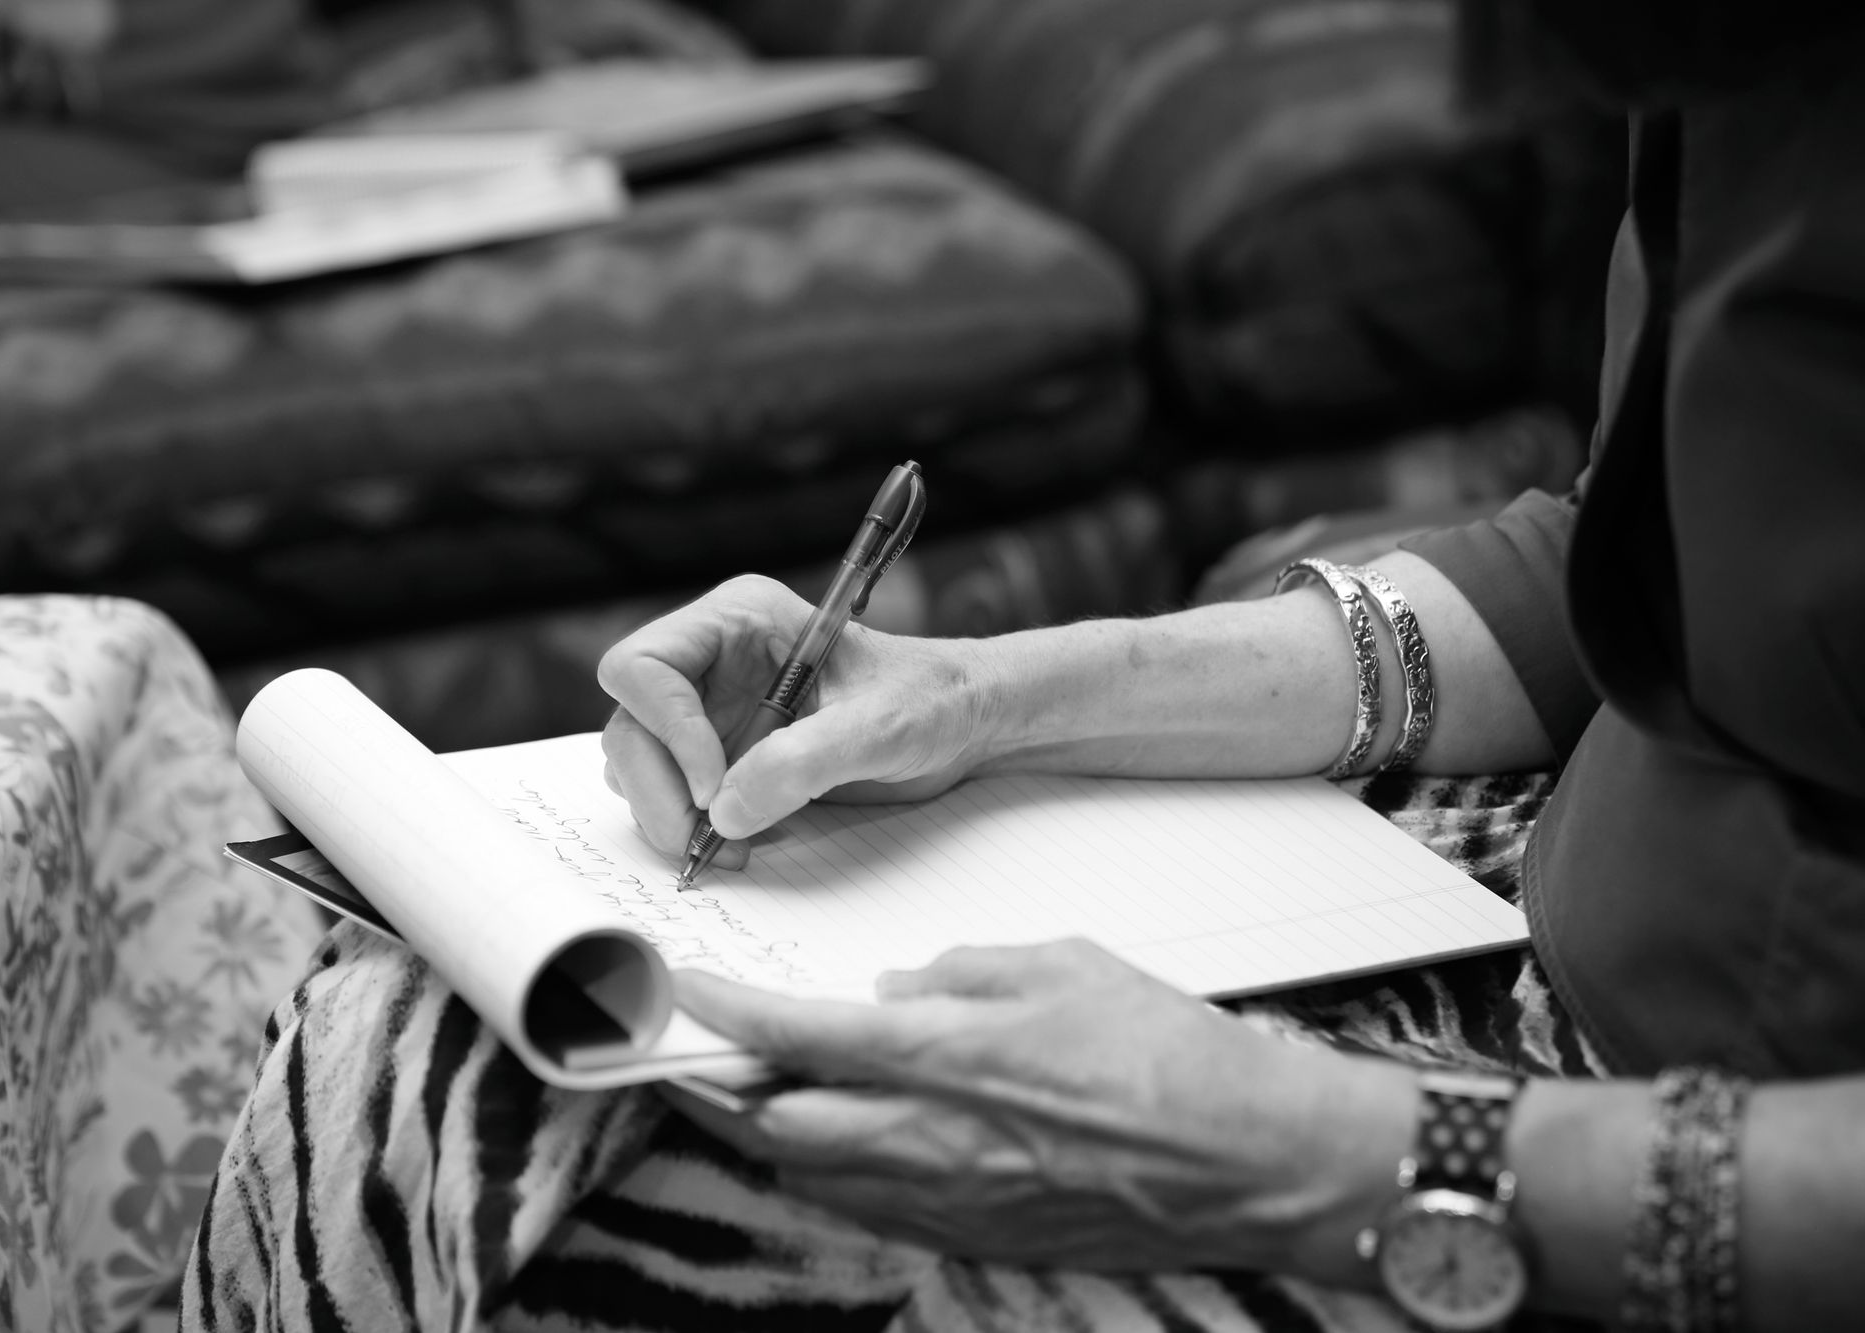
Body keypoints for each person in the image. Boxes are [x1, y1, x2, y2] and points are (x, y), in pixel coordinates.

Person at [182, 4, 1865, 1331]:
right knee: (394, 1053)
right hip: (1534, 928)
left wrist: (1327, 1157)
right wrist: (987, 692)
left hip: (1680, 1172)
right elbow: (1635, 564)